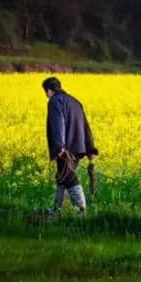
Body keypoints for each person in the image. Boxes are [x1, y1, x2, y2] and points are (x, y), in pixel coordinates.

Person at [42, 77, 98, 215]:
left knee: (68, 176)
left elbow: (58, 123)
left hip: (66, 148)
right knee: (62, 176)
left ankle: (81, 210)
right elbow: (86, 126)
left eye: (45, 92)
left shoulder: (55, 101)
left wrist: (60, 147)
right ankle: (57, 209)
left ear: (49, 90)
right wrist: (90, 148)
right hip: (79, 147)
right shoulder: (75, 101)